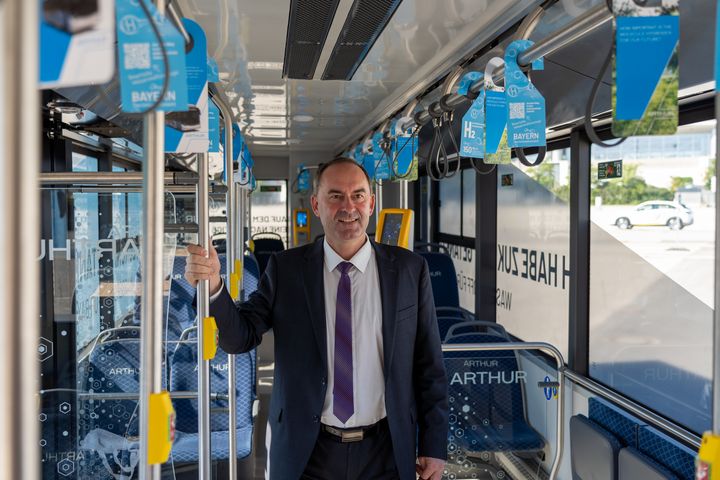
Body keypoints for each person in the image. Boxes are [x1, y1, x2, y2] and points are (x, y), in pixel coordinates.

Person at [185, 158, 448, 480]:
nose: (348, 207)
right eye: (335, 196)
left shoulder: (409, 269)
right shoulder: (287, 269)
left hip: (387, 449)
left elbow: (429, 364)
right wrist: (213, 286)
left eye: (358, 195)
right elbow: (240, 337)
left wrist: (434, 444)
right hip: (307, 450)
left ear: (372, 203)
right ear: (316, 204)